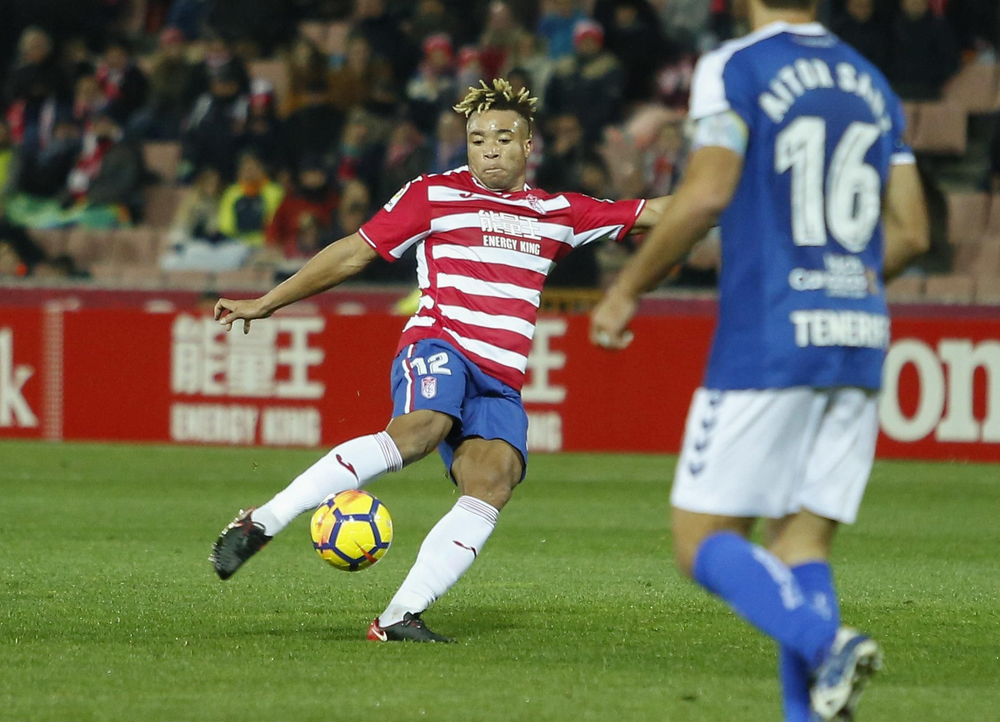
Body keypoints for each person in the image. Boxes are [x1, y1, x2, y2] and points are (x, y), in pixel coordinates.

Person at [588, 0, 930, 722]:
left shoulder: (732, 68)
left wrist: (625, 287)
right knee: (801, 540)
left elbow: (703, 195)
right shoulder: (871, 81)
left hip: (769, 337)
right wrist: (845, 279)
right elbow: (914, 229)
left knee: (699, 537)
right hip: (856, 333)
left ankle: (831, 647)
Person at [208, 78, 669, 643]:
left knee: (494, 480)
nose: (490, 147)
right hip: (440, 345)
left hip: (499, 381)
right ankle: (265, 520)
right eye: (477, 138)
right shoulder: (432, 194)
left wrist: (736, 197)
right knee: (421, 431)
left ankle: (399, 616)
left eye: (504, 137)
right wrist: (268, 302)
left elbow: (658, 212)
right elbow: (353, 252)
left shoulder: (559, 212)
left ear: (529, 147)